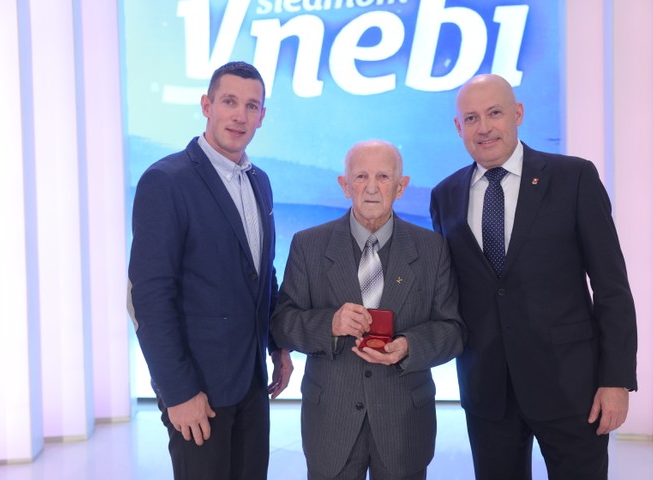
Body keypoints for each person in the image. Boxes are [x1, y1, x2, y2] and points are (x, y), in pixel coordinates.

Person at [430, 74, 637, 480]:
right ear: (458, 127)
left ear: (518, 114)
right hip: (487, 392)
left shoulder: (574, 177)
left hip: (572, 389)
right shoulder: (445, 195)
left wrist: (616, 380)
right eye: (471, 118)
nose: (484, 127)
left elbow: (612, 287)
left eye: (494, 113)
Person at [127, 61, 293, 479]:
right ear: (207, 105)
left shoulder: (260, 182)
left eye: (251, 106)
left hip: (251, 384)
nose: (240, 115)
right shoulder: (166, 181)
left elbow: (262, 274)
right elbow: (149, 296)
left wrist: (278, 346)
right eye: (229, 102)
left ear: (262, 116)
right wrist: (178, 392)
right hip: (197, 391)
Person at [271, 139, 467, 480]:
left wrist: (409, 346)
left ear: (401, 186)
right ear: (345, 185)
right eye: (361, 177)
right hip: (331, 423)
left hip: (404, 423)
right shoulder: (308, 245)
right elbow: (282, 324)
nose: (372, 188)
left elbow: (453, 331)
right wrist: (330, 324)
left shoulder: (432, 248)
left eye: (383, 177)